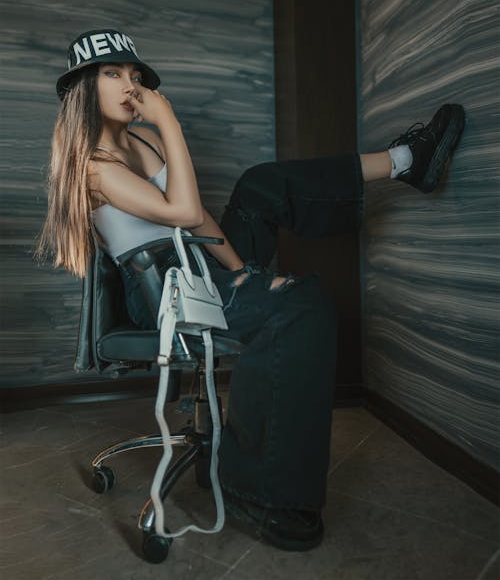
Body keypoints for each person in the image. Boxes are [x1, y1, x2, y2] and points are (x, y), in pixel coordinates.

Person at [36, 29, 465, 551]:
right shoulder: (93, 169)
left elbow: (200, 225)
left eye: (134, 74)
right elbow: (185, 213)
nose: (130, 85)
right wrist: (170, 120)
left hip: (199, 267)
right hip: (163, 292)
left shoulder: (142, 141)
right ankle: (265, 496)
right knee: (304, 304)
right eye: (113, 74)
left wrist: (244, 274)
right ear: (84, 89)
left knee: (260, 184)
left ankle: (405, 162)